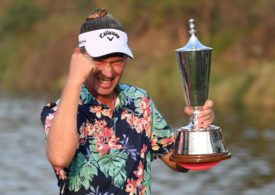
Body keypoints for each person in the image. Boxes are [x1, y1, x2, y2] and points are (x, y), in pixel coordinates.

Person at [40, 8, 215, 195]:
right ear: (79, 57)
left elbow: (179, 163)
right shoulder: (60, 109)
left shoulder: (140, 100)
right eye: (99, 60)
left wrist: (197, 130)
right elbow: (59, 158)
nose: (108, 72)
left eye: (117, 61)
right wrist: (74, 80)